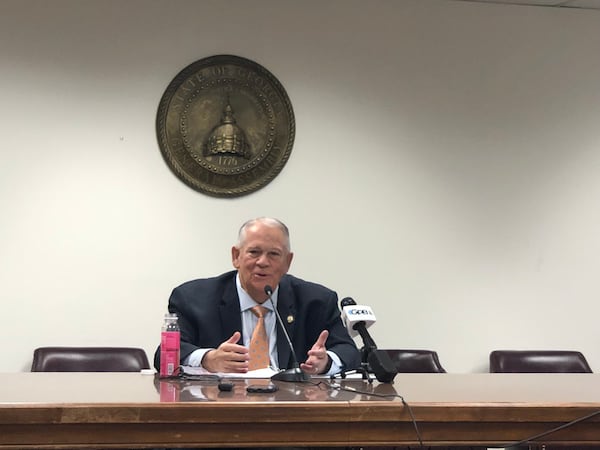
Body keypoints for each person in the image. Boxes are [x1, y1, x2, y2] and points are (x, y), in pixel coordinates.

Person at [153, 217, 360, 376]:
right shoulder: (193, 297)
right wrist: (209, 358)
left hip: (292, 408)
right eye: (254, 252)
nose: (262, 262)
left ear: (287, 262)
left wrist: (326, 362)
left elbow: (348, 351)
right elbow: (165, 353)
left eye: (274, 254)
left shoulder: (315, 300)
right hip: (221, 407)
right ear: (236, 256)